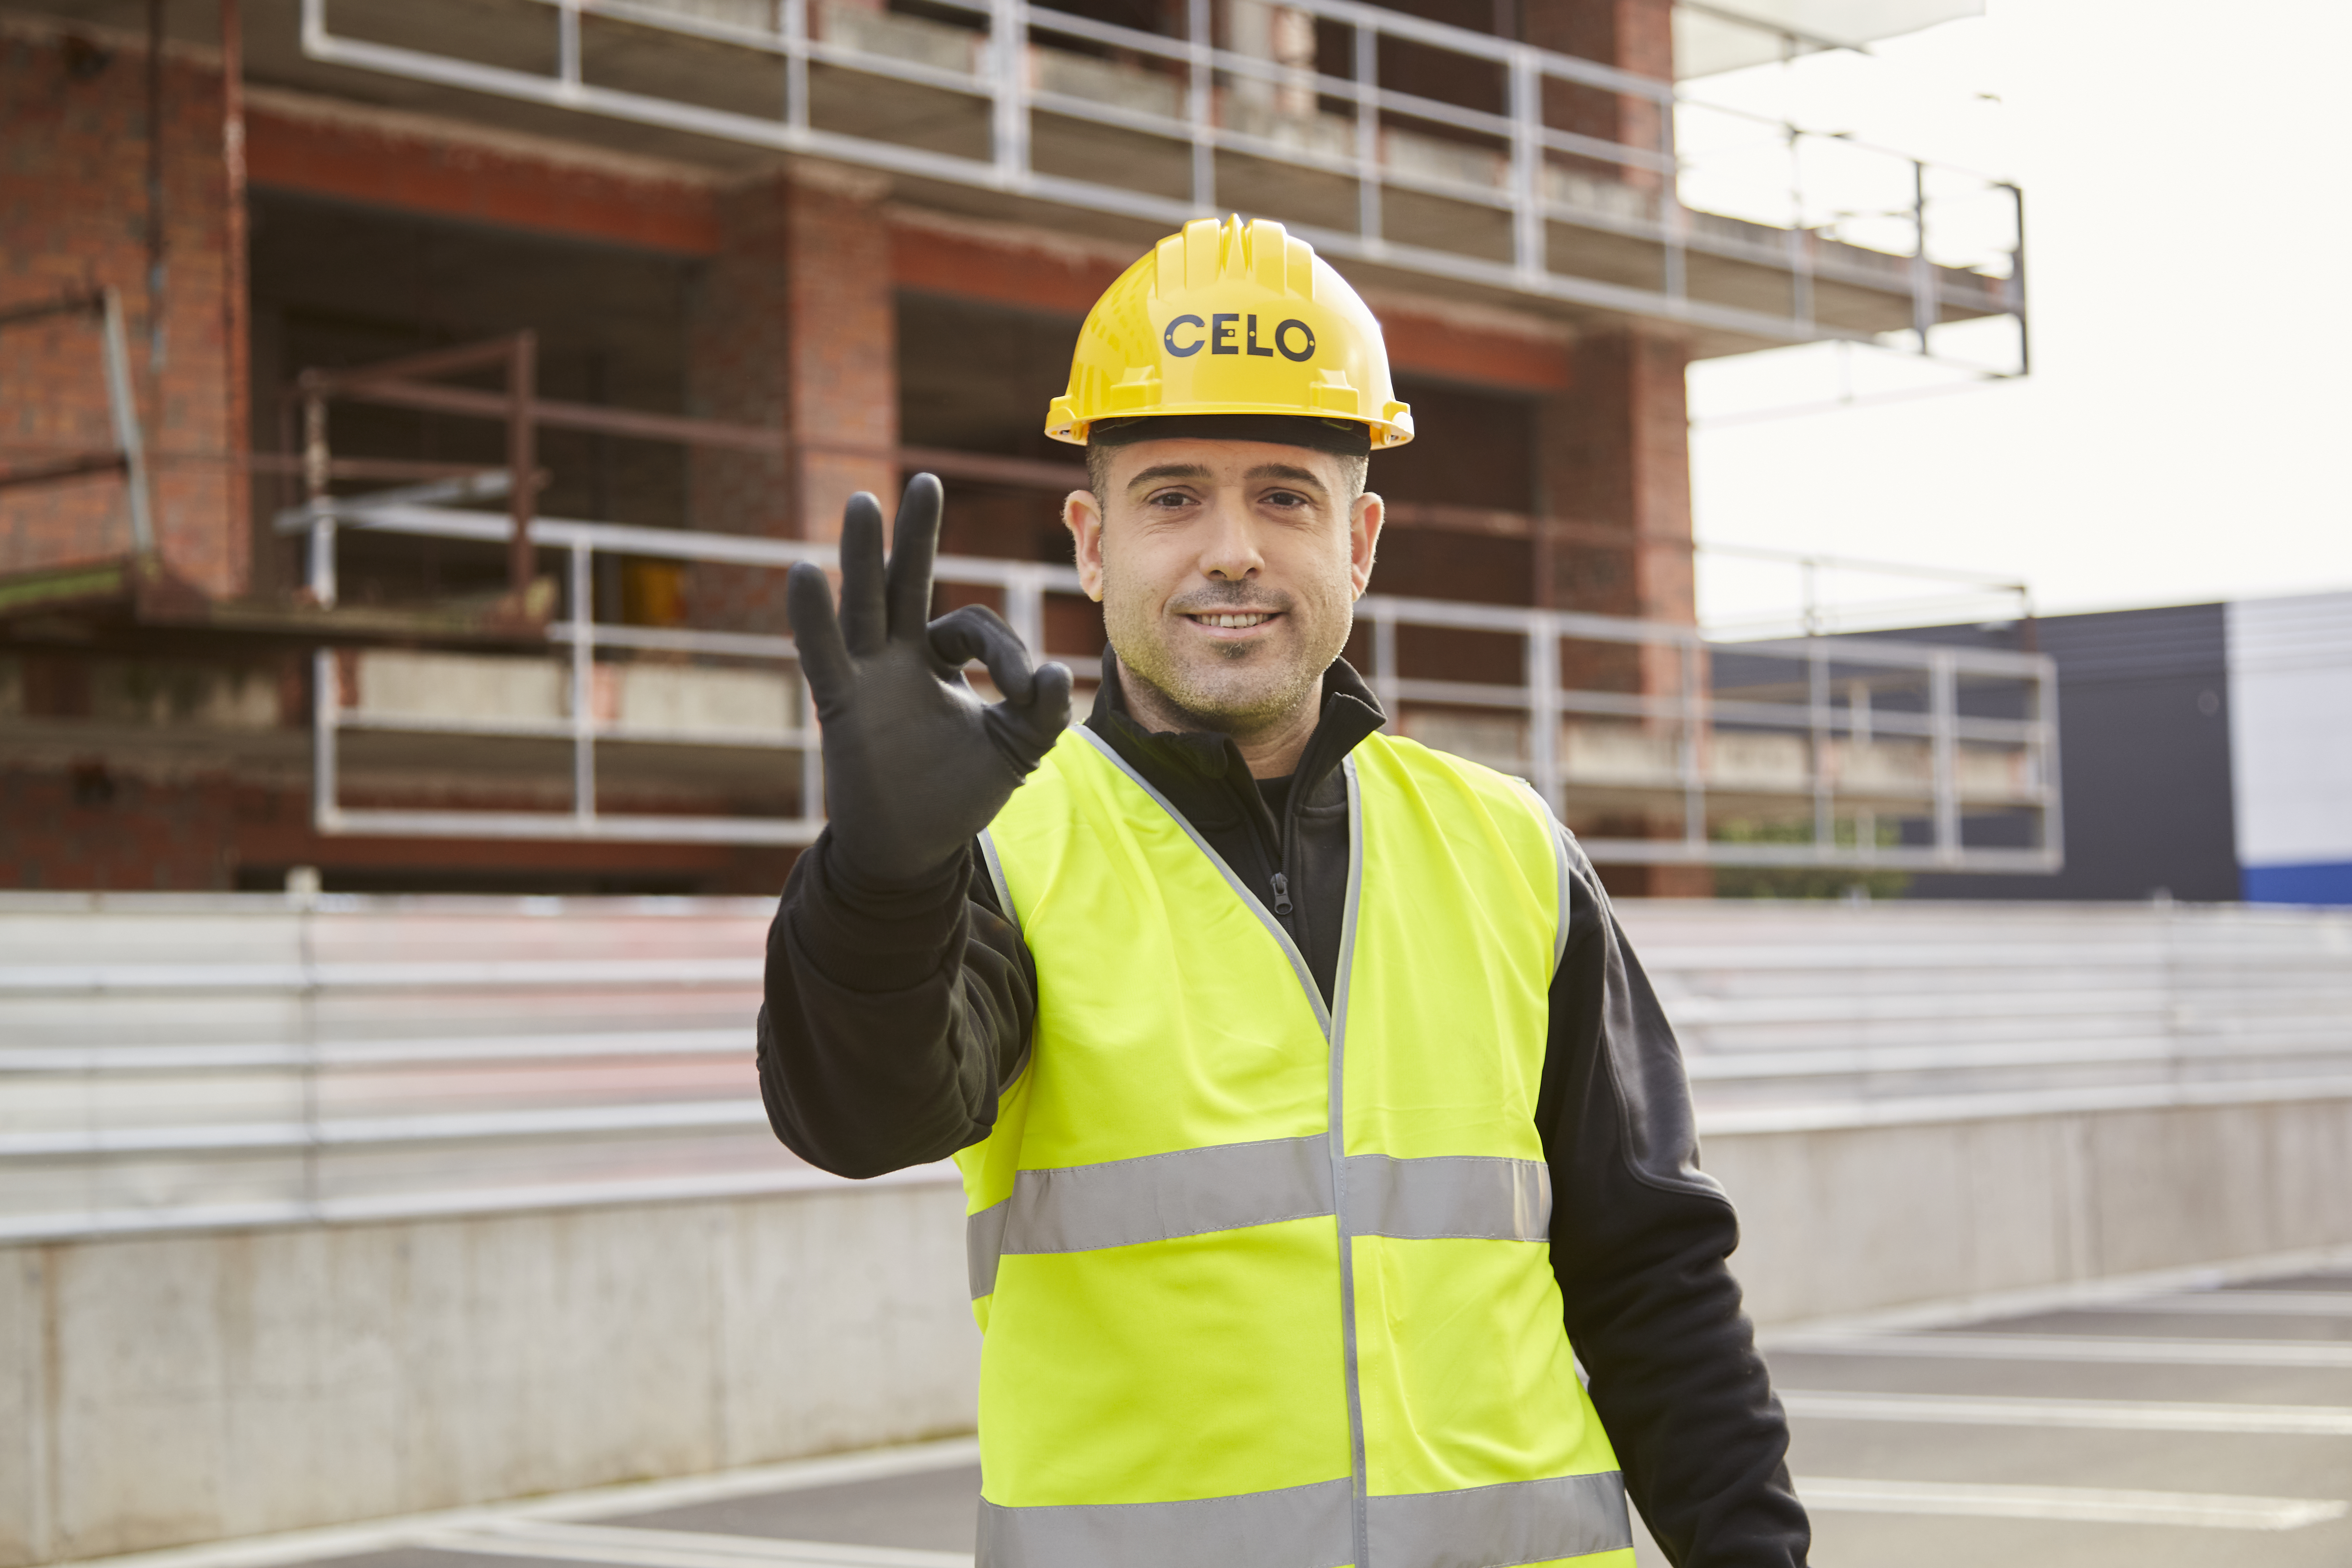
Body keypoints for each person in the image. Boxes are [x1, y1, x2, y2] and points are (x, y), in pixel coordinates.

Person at [759, 215, 1808, 1568]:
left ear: (1357, 539)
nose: (1233, 549)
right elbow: (859, 1115)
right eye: (1173, 496)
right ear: (1092, 540)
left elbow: (1653, 1275)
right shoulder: (1005, 851)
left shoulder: (1507, 848)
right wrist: (883, 876)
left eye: (1284, 496)